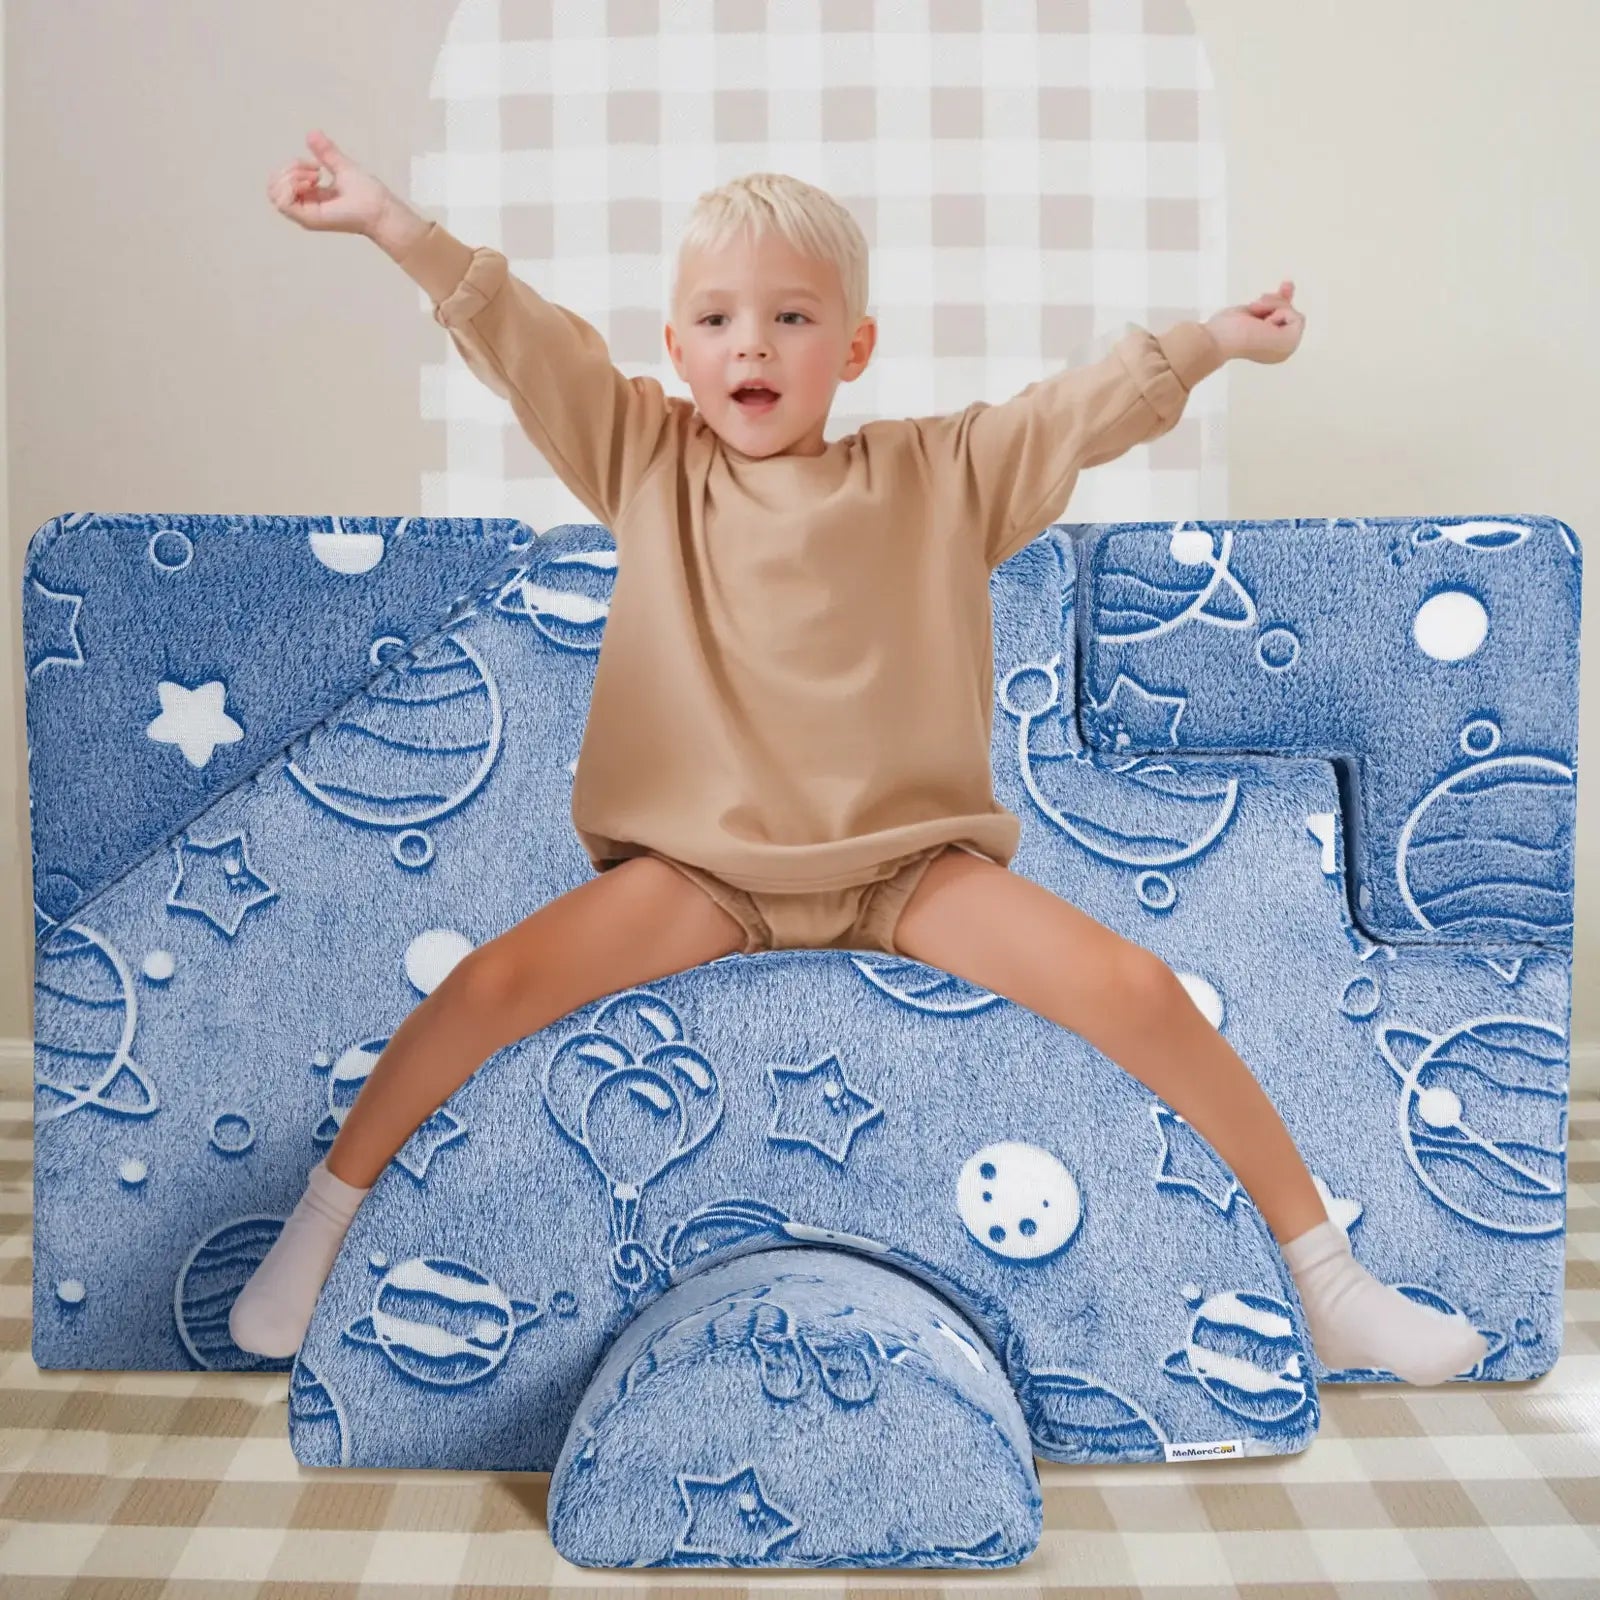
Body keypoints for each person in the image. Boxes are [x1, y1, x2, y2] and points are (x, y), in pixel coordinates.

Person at [231, 129, 1488, 1389]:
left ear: (855, 348)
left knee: (1138, 990)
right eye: (716, 320)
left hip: (907, 868)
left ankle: (1329, 1282)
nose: (752, 346)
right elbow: (521, 339)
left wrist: (1215, 337)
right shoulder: (645, 458)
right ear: (676, 352)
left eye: (789, 316)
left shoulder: (938, 473)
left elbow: (1080, 411)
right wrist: (392, 222)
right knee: (491, 985)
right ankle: (319, 1232)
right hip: (699, 872)